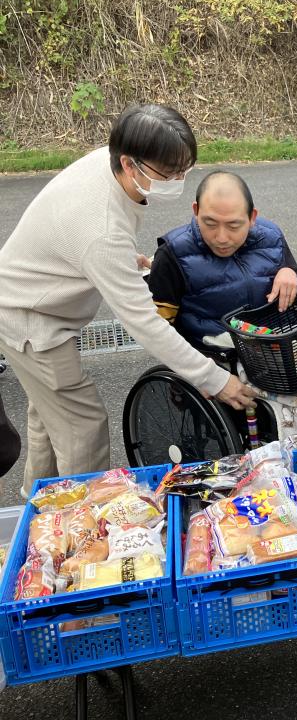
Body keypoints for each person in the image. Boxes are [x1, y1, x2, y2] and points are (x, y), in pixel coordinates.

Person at [0, 104, 256, 496]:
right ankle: (82, 523)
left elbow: (78, 238)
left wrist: (122, 261)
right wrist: (214, 379)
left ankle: (37, 507)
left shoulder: (107, 168)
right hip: (30, 318)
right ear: (128, 162)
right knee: (81, 424)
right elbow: (145, 324)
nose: (176, 180)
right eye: (167, 173)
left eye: (183, 171)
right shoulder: (101, 231)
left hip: (30, 292)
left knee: (47, 413)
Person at [144, 170, 297, 347]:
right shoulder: (173, 253)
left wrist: (288, 272)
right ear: (196, 211)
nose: (222, 238)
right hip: (216, 353)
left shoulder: (271, 237)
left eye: (233, 226)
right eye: (210, 224)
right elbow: (159, 327)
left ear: (252, 217)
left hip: (277, 338)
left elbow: (293, 274)